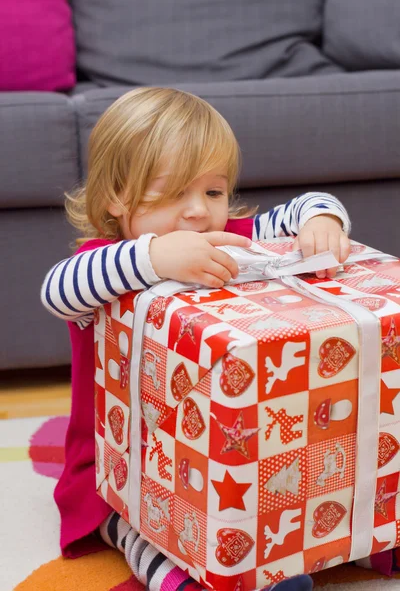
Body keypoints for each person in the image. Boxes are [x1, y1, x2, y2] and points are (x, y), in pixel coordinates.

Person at [41, 86, 378, 591]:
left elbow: (306, 204)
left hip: (228, 457)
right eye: (174, 191)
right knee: (142, 532)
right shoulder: (105, 262)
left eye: (214, 192)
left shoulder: (235, 237)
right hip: (117, 466)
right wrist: (154, 257)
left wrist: (323, 221)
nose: (200, 211)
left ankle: (361, 545)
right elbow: (57, 290)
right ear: (115, 195)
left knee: (316, 494)